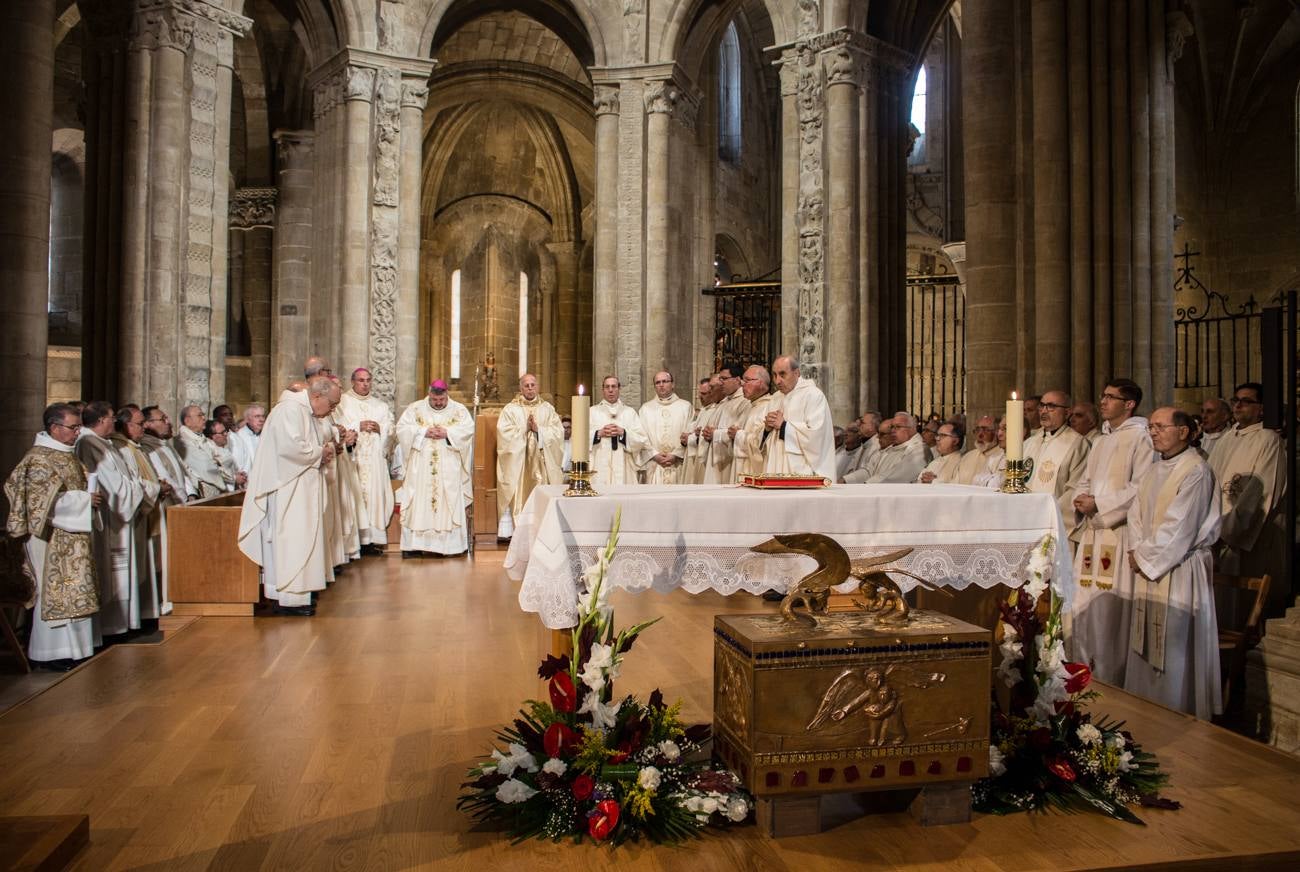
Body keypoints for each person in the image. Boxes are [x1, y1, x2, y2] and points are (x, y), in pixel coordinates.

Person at [1124, 407, 1222, 720]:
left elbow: (1181, 525)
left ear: (1183, 431)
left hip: (1180, 568)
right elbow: (1135, 514)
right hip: (1150, 565)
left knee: (1175, 645)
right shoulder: (1154, 469)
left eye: (1160, 426)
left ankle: (1176, 713)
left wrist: (1144, 557)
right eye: (1150, 426)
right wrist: (1138, 550)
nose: (1153, 432)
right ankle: (1143, 711)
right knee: (1147, 642)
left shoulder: (1196, 470)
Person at [1067, 379, 1153, 685]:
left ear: (1129, 404)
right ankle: (1082, 672)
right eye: (1102, 396)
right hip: (1093, 532)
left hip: (1117, 534)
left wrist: (1099, 504)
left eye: (1110, 397)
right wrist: (1081, 498)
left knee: (1109, 611)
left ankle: (1109, 677)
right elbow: (1085, 479)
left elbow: (1142, 488)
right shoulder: (1102, 440)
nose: (1102, 402)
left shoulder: (1141, 438)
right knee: (1084, 604)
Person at [6, 404, 104, 669]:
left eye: (78, 426)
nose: (77, 432)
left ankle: (77, 649)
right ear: (54, 428)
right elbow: (38, 503)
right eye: (73, 427)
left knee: (76, 589)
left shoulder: (68, 455)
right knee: (58, 592)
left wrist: (89, 499)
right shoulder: (39, 458)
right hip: (50, 539)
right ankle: (52, 654)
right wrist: (84, 501)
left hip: (72, 535)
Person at [238, 376, 336, 616]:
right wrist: (320, 453)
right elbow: (290, 448)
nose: (332, 410)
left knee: (301, 538)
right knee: (291, 540)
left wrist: (323, 450)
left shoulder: (306, 411)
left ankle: (301, 594)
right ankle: (288, 597)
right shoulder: (290, 410)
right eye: (331, 404)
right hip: (287, 489)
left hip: (300, 486)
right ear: (317, 396)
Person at [1208, 381, 1287, 615]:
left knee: (1242, 607)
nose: (1238, 405)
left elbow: (1260, 494)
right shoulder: (1226, 438)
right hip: (1217, 532)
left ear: (1261, 408)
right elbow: (1209, 483)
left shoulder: (1268, 439)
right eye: (1236, 400)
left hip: (1246, 537)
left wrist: (1226, 532)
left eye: (1246, 401)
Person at [75, 401, 147, 639]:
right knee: (112, 573)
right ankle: (111, 627)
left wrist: (135, 487)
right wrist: (140, 489)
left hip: (118, 514)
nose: (114, 422)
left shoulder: (104, 443)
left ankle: (120, 624)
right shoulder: (89, 443)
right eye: (111, 418)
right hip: (109, 517)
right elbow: (114, 485)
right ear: (101, 421)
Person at [395, 380, 475, 557]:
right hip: (421, 467)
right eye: (435, 400)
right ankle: (413, 546)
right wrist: (423, 432)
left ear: (447, 395)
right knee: (418, 501)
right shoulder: (415, 408)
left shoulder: (459, 410)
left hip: (449, 467)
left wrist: (448, 434)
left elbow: (468, 430)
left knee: (448, 502)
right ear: (429, 394)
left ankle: (449, 547)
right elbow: (401, 429)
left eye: (442, 399)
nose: (438, 403)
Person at [110, 406, 166, 630]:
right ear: (125, 424)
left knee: (145, 565)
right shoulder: (120, 448)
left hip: (145, 509)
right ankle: (132, 619)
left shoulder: (134, 448)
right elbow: (127, 483)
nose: (143, 428)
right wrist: (155, 488)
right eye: (139, 423)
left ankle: (143, 614)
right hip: (127, 517)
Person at [335, 367, 395, 553]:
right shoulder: (342, 402)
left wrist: (381, 429)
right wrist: (357, 426)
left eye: (368, 380)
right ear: (352, 381)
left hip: (374, 461)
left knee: (373, 496)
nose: (365, 383)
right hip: (353, 459)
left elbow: (392, 430)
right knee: (353, 494)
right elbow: (334, 426)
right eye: (361, 380)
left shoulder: (380, 405)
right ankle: (353, 543)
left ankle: (370, 540)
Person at [496, 373, 564, 537]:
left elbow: (558, 433)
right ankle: (516, 530)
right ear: (520, 388)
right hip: (518, 466)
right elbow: (503, 435)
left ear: (538, 387)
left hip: (541, 463)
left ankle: (542, 528)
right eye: (526, 385)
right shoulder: (510, 410)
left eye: (533, 384)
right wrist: (524, 429)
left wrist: (539, 430)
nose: (530, 388)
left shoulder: (547, 409)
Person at [762, 356, 836, 481]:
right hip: (774, 466)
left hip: (800, 471)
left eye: (782, 374)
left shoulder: (813, 395)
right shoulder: (775, 398)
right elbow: (763, 439)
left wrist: (784, 426)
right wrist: (767, 429)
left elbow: (816, 436)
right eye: (774, 375)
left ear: (796, 373)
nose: (777, 381)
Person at [1024, 390, 1090, 516]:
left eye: (1051, 406)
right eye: (1042, 406)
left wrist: (1049, 512)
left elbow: (1076, 488)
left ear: (1067, 412)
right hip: (1024, 515)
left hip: (1053, 517)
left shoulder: (1078, 444)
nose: (1044, 411)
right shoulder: (1029, 443)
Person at [587, 375, 649, 487]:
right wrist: (598, 433)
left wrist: (623, 433)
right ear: (603, 390)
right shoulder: (592, 412)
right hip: (599, 464)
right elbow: (579, 438)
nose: (610, 390)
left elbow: (641, 439)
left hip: (624, 464)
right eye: (607, 387)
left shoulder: (629, 412)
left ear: (619, 389)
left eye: (614, 386)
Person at [638, 370, 693, 485]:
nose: (661, 385)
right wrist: (655, 455)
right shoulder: (646, 409)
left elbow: (690, 434)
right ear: (654, 386)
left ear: (672, 384)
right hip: (655, 465)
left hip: (678, 464)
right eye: (658, 382)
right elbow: (641, 437)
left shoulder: (685, 407)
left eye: (665, 381)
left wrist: (675, 455)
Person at [701, 362, 750, 484]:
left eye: (724, 379)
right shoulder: (724, 402)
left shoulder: (744, 401)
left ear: (738, 380)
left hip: (730, 461)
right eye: (720, 379)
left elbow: (739, 432)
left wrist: (715, 434)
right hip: (716, 458)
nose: (720, 382)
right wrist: (706, 433)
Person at [140, 406, 196, 502]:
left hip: (185, 500)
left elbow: (182, 470)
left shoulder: (165, 444)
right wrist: (183, 499)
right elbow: (164, 476)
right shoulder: (147, 447)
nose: (168, 422)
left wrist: (191, 493)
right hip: (170, 501)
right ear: (147, 424)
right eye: (163, 419)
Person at [732, 364, 773, 478]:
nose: (742, 385)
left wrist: (738, 434)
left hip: (756, 471)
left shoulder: (769, 406)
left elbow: (762, 443)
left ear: (760, 382)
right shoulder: (749, 407)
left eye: (747, 381)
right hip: (742, 467)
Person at [175, 404, 225, 498]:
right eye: (200, 415)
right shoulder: (183, 441)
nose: (204, 418)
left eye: (203, 415)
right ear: (188, 421)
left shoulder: (204, 439)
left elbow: (224, 459)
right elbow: (206, 467)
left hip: (215, 490)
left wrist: (217, 463)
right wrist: (218, 464)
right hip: (204, 492)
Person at [683, 375, 719, 484]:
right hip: (696, 459)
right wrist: (687, 437)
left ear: (712, 392)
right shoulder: (704, 410)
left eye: (703, 394)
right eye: (699, 393)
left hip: (707, 461)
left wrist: (695, 437)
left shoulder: (715, 410)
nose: (699, 397)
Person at [957, 415, 1003, 485]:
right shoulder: (968, 457)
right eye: (977, 430)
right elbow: (955, 483)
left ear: (997, 432)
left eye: (985, 430)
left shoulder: (1002, 457)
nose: (980, 435)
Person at [205, 420, 245, 491]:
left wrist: (239, 474)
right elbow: (214, 471)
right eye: (222, 433)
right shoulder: (208, 449)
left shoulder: (223, 447)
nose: (226, 434)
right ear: (212, 436)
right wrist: (235, 478)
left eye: (225, 431)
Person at [229, 404, 265, 475]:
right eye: (257, 416)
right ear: (247, 419)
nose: (261, 420)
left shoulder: (267, 434)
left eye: (263, 416)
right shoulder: (239, 436)